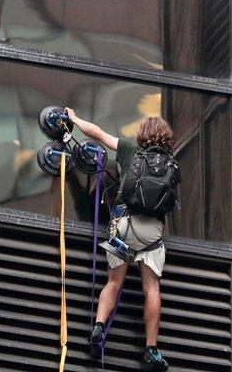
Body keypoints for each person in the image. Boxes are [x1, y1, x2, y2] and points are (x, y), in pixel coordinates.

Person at [65, 108, 174, 371]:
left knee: (113, 282)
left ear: (142, 136)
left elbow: (98, 134)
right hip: (151, 233)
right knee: (152, 289)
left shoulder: (128, 150)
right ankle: (151, 350)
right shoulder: (170, 162)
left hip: (123, 225)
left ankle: (99, 328)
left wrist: (75, 119)